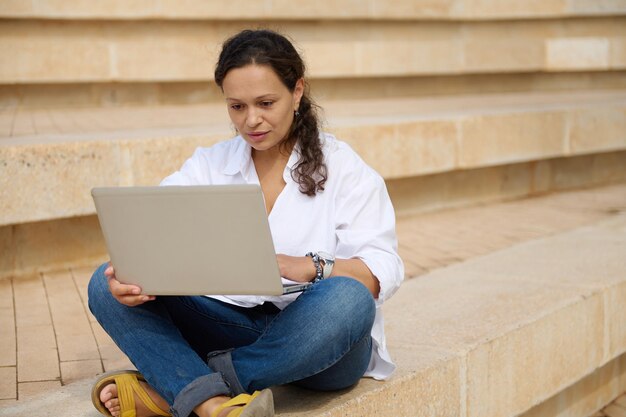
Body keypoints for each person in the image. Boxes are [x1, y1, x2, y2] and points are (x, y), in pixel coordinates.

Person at [88, 29, 404, 417]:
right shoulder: (209, 165)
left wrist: (303, 266)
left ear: (298, 91)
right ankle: (212, 403)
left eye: (266, 103)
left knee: (350, 299)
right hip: (228, 325)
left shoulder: (344, 167)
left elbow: (382, 270)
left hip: (319, 339)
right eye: (237, 107)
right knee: (104, 285)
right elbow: (153, 231)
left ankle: (181, 388)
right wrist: (131, 272)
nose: (251, 120)